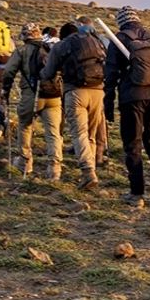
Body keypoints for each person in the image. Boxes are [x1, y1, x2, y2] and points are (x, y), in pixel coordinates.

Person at [104, 7, 150, 206]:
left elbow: (111, 74)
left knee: (133, 144)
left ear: (121, 22)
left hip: (131, 97)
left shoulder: (119, 40)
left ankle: (137, 193)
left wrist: (108, 104)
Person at [43, 16, 107, 190]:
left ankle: (88, 172)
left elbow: (48, 73)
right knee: (91, 135)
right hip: (98, 92)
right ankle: (92, 170)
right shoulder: (96, 41)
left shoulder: (62, 45)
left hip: (75, 92)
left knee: (79, 134)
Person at [1, 23, 64, 181]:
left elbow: (9, 71)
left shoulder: (22, 51)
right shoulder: (52, 48)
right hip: (53, 95)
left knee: (25, 126)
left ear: (24, 36)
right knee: (53, 132)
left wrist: (6, 90)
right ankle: (54, 167)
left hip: (31, 94)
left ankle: (24, 161)